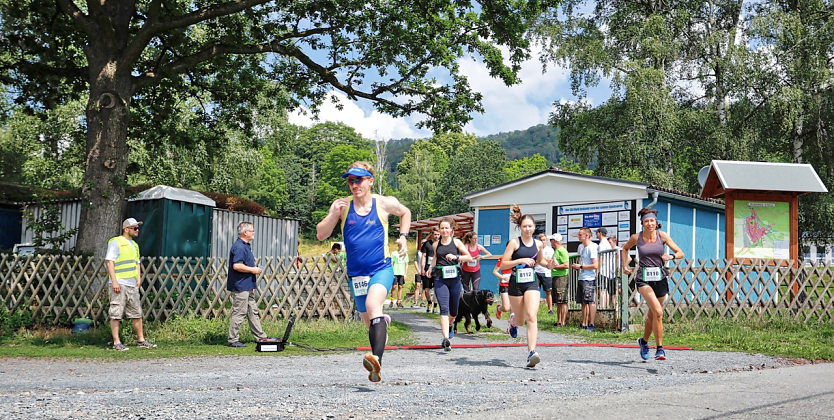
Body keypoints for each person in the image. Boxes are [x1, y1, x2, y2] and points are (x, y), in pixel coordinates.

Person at [316, 161, 411, 382]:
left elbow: (405, 212)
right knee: (370, 321)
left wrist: (404, 237)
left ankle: (375, 358)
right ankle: (378, 353)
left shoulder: (384, 203)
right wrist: (333, 215)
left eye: (359, 180)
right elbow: (321, 235)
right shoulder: (342, 205)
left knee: (372, 305)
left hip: (381, 268)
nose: (354, 184)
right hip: (356, 274)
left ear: (370, 180)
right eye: (350, 180)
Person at [621, 208, 684, 361]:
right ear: (642, 223)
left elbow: (680, 252)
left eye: (652, 221)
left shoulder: (662, 236)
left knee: (653, 314)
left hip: (660, 277)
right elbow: (624, 249)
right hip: (643, 278)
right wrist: (624, 265)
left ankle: (643, 342)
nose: (649, 224)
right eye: (646, 221)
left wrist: (671, 256)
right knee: (658, 311)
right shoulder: (637, 237)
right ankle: (660, 349)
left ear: (656, 223)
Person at [499, 205, 545, 368]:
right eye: (524, 226)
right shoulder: (514, 243)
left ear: (534, 227)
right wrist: (520, 261)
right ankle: (512, 321)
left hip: (532, 282)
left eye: (530, 226)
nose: (527, 229)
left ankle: (531, 352)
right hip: (516, 283)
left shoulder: (539, 244)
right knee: (520, 319)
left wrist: (550, 264)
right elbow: (504, 263)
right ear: (520, 227)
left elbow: (541, 261)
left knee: (532, 316)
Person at [105, 218, 156, 351]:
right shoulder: (116, 242)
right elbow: (109, 262)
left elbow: (137, 263)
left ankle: (141, 340)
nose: (137, 230)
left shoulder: (135, 245)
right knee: (116, 313)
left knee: (136, 313)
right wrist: (114, 281)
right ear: (126, 229)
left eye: (138, 228)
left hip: (132, 284)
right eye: (135, 228)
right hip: (119, 284)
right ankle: (117, 342)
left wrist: (138, 279)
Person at [429, 218, 474, 351]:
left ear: (451, 230)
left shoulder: (456, 242)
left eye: (446, 228)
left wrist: (457, 257)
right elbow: (435, 259)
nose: (444, 230)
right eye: (442, 228)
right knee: (443, 308)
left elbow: (469, 257)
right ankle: (445, 339)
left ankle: (450, 324)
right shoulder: (436, 244)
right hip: (440, 279)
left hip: (454, 279)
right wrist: (429, 268)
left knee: (453, 311)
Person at [227, 221, 269, 348]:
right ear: (245, 232)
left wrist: (251, 285)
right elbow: (237, 265)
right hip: (240, 286)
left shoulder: (246, 245)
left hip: (247, 285)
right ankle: (233, 340)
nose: (253, 233)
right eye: (252, 230)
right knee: (239, 313)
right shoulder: (239, 247)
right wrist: (253, 270)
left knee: (253, 312)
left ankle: (261, 337)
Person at [572, 227, 598, 331]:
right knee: (583, 302)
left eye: (580, 235)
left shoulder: (591, 248)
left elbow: (595, 265)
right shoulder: (583, 248)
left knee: (588, 301)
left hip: (589, 278)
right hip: (582, 277)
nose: (579, 237)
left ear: (586, 236)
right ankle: (584, 323)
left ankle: (590, 323)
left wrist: (581, 267)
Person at [548, 234, 570, 327]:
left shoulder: (562, 251)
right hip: (556, 276)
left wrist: (555, 267)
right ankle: (559, 320)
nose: (550, 242)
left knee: (562, 299)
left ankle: (563, 321)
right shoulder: (556, 251)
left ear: (555, 241)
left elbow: (566, 265)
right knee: (558, 300)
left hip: (562, 277)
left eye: (551, 240)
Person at [420, 228, 440, 313]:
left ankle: (435, 306)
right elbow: (423, 256)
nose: (437, 236)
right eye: (435, 234)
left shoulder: (441, 244)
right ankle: (429, 303)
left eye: (438, 234)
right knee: (427, 289)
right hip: (427, 268)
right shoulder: (427, 244)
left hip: (437, 269)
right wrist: (422, 268)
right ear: (432, 234)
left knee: (436, 289)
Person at [535, 232, 555, 315]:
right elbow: (536, 260)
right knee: (536, 292)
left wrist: (542, 259)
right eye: (541, 240)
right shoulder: (536, 249)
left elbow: (550, 260)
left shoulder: (550, 250)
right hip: (537, 271)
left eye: (544, 240)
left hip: (546, 272)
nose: (542, 242)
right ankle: (535, 309)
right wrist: (542, 259)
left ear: (546, 240)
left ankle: (550, 309)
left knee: (548, 292)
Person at [596, 227, 615, 310]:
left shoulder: (602, 244)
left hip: (603, 270)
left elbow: (601, 257)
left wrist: (597, 270)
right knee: (605, 289)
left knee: (602, 289)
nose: (595, 234)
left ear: (600, 233)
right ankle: (606, 307)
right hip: (609, 271)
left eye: (596, 233)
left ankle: (602, 307)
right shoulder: (607, 243)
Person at [492, 252, 513, 321]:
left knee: (513, 308)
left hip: (514, 285)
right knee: (506, 308)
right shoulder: (502, 259)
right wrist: (503, 277)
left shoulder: (518, 259)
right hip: (504, 285)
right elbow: (495, 271)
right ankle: (499, 308)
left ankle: (510, 327)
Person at [389, 241, 408, 308]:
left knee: (400, 286)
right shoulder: (394, 253)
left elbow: (406, 264)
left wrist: (405, 273)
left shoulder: (405, 254)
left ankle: (399, 301)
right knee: (394, 287)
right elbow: (391, 263)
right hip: (395, 272)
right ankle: (392, 300)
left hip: (401, 273)